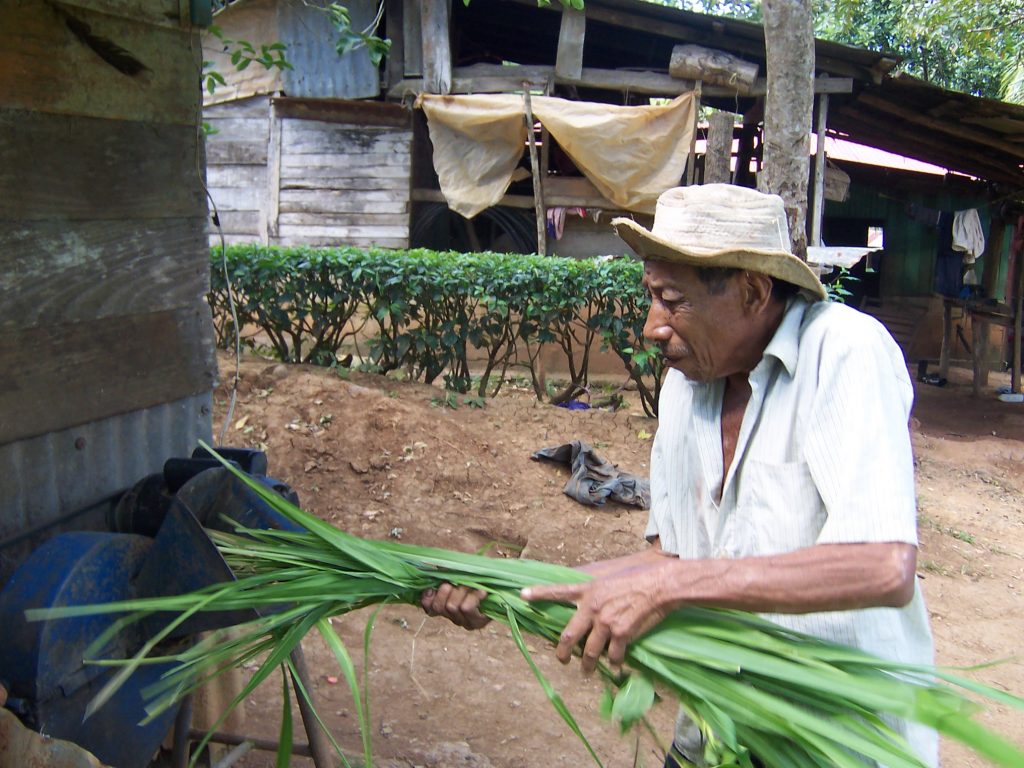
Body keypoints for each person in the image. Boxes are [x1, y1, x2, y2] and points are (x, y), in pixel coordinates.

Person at [422, 184, 936, 767]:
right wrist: (513, 587)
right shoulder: (685, 389)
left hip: (835, 738)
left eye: (673, 300)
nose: (651, 326)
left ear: (752, 291)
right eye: (651, 297)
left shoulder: (843, 352)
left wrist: (666, 589)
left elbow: (883, 565)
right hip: (720, 725)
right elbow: (672, 561)